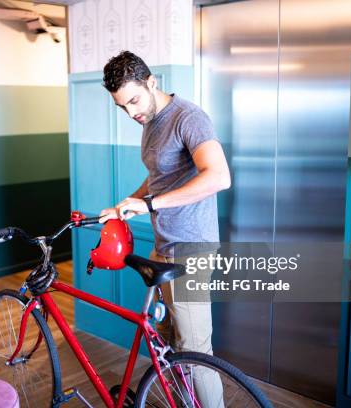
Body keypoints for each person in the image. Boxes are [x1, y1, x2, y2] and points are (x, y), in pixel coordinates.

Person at [98, 50, 231, 406]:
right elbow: (161, 177)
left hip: (191, 249)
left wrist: (150, 204)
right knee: (171, 343)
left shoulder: (189, 117)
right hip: (166, 247)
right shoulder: (150, 121)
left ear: (151, 82)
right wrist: (127, 203)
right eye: (122, 107)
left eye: (134, 101)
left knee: (195, 350)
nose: (131, 112)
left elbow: (218, 176)